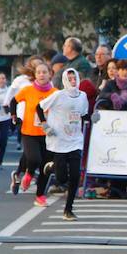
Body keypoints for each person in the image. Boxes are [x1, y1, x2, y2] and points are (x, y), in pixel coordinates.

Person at [37, 68, 89, 220]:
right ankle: (52, 166)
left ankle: (68, 209)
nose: (73, 81)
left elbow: (84, 114)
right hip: (59, 140)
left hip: (75, 140)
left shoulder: (83, 96)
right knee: (61, 178)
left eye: (75, 78)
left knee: (74, 176)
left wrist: (93, 117)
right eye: (70, 79)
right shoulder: (58, 95)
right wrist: (45, 124)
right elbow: (39, 107)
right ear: (65, 80)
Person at [12, 61, 56, 206]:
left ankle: (40, 195)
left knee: (45, 166)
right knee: (34, 159)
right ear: (35, 75)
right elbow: (13, 101)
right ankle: (29, 174)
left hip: (48, 134)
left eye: (44, 72)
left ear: (50, 74)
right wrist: (15, 117)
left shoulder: (55, 93)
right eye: (39, 72)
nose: (42, 75)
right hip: (29, 132)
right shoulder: (27, 90)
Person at [5, 59, 36, 193]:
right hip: (23, 118)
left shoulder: (45, 80)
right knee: (29, 150)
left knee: (36, 151)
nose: (37, 69)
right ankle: (24, 173)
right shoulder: (20, 80)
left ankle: (22, 173)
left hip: (41, 121)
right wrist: (11, 113)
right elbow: (10, 97)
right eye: (33, 65)